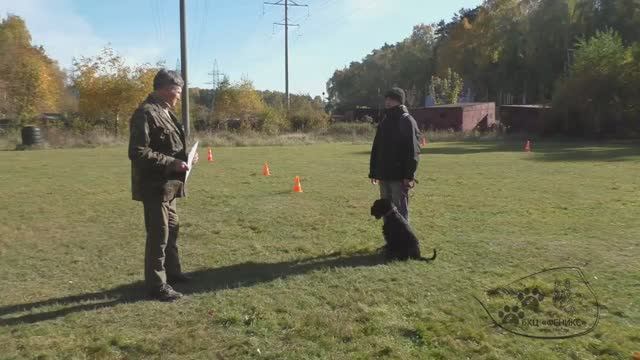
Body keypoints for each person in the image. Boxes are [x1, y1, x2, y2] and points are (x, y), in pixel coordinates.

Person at [128, 69, 197, 302]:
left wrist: (187, 158)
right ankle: (157, 286)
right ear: (165, 90)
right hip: (154, 186)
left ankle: (173, 274)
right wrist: (173, 163)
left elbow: (168, 146)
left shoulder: (166, 112)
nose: (179, 97)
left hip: (169, 187)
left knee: (172, 230)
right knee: (158, 235)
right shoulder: (145, 113)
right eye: (177, 92)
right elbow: (138, 152)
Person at [369, 87, 421, 223]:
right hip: (384, 174)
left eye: (391, 99)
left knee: (399, 211)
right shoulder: (384, 122)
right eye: (386, 99)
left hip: (399, 177)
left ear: (399, 101)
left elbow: (413, 150)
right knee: (386, 209)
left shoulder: (407, 121)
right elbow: (377, 148)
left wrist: (409, 175)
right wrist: (374, 171)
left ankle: (403, 243)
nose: (387, 102)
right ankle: (391, 241)